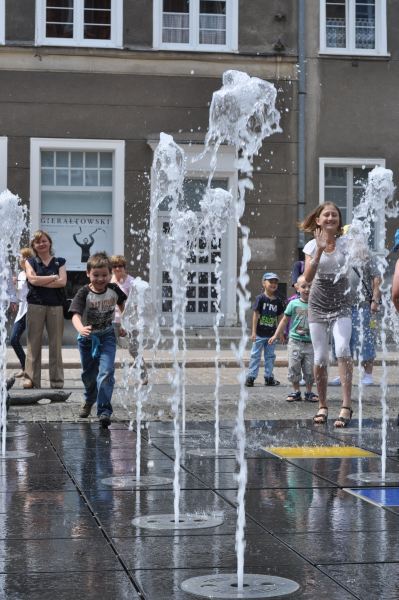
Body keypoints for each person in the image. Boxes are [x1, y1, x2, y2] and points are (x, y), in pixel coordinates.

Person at [301, 202, 353, 428]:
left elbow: (359, 268)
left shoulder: (347, 244)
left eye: (335, 215)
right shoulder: (312, 245)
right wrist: (320, 249)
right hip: (318, 304)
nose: (331, 218)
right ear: (319, 220)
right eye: (326, 215)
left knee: (342, 349)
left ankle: (346, 405)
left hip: (342, 303)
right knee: (321, 357)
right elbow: (308, 278)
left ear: (339, 221)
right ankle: (322, 405)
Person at [70, 252, 127, 429]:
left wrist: (123, 322)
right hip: (87, 339)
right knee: (89, 375)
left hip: (108, 336)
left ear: (110, 274)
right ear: (88, 273)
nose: (101, 279)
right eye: (96, 275)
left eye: (104, 275)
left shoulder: (114, 290)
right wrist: (80, 328)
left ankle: (104, 411)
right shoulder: (83, 292)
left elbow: (123, 304)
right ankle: (89, 399)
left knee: (106, 372)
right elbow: (75, 315)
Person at [23, 231, 67, 389]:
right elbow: (32, 279)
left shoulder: (59, 262)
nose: (41, 244)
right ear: (33, 246)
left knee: (55, 345)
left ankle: (56, 381)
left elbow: (62, 282)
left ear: (49, 243)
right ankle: (31, 379)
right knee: (33, 343)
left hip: (56, 306)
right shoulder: (30, 261)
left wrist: (40, 281)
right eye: (37, 242)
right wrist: (52, 277)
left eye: (44, 241)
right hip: (35, 305)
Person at [268, 275, 317, 402]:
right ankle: (296, 391)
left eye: (310, 287)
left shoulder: (316, 304)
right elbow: (284, 320)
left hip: (310, 343)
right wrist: (276, 335)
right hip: (295, 342)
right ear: (297, 288)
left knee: (309, 369)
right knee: (294, 367)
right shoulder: (293, 303)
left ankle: (309, 392)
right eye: (304, 287)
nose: (307, 289)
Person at [110, 255, 148, 384]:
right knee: (109, 348)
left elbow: (135, 304)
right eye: (114, 266)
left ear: (124, 267)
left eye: (120, 266)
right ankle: (108, 377)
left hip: (130, 320)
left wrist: (125, 324)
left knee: (133, 349)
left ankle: (143, 374)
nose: (117, 268)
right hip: (112, 320)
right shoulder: (110, 281)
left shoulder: (131, 282)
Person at [245, 272, 285, 387]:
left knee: (270, 356)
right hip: (259, 334)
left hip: (272, 335)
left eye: (275, 282)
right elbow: (255, 315)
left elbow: (280, 317)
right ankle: (251, 377)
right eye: (270, 282)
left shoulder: (278, 300)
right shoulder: (260, 298)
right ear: (264, 283)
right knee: (255, 355)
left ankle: (269, 377)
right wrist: (253, 332)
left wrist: (281, 333)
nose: (273, 284)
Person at [10, 247, 34, 377]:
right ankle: (25, 366)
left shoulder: (33, 273)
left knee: (31, 341)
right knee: (14, 340)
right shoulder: (20, 274)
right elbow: (20, 293)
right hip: (22, 309)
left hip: (31, 309)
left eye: (27, 257)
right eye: (22, 256)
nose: (24, 259)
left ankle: (29, 370)